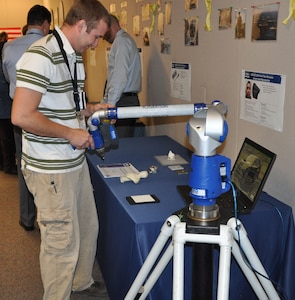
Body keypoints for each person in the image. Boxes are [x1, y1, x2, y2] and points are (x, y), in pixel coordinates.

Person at [11, 0, 111, 298]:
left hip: (72, 163)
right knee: (60, 244)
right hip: (49, 168)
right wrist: (69, 133)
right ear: (82, 25)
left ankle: (80, 283)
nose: (95, 45)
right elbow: (21, 116)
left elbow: (68, 103)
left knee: (87, 227)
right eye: (95, 37)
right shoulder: (40, 55)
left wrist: (90, 109)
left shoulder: (72, 55)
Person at [2, 5, 52, 231]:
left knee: (24, 165)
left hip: (19, 113)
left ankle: (27, 217)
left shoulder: (9, 47)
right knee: (50, 165)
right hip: (46, 113)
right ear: (45, 24)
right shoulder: (50, 46)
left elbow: (6, 77)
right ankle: (50, 216)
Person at [102, 14, 142, 138]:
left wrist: (110, 105)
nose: (103, 37)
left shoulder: (122, 42)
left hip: (123, 101)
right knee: (118, 144)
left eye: (104, 31)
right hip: (122, 99)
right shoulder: (122, 41)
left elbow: (119, 77)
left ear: (110, 25)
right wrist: (105, 102)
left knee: (120, 146)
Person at [0, 32, 16, 175]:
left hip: (4, 106)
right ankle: (8, 165)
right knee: (7, 138)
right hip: (5, 106)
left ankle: (5, 164)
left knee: (4, 138)